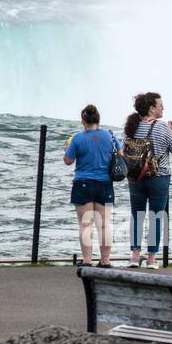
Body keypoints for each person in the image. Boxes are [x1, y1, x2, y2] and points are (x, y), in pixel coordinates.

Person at [124, 91, 172, 269]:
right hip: (159, 177)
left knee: (137, 216)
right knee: (156, 217)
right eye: (160, 105)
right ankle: (151, 259)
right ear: (152, 108)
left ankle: (135, 257)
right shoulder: (162, 126)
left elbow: (123, 148)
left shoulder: (132, 126)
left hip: (135, 177)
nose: (163, 107)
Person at [63, 104, 119, 267]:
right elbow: (120, 155)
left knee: (85, 223)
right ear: (98, 119)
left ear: (83, 121)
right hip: (105, 183)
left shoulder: (78, 138)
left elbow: (68, 161)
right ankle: (106, 260)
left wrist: (67, 149)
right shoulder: (110, 136)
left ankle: (87, 260)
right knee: (104, 224)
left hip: (83, 183)